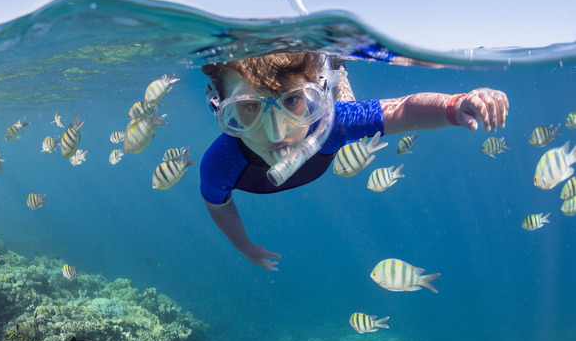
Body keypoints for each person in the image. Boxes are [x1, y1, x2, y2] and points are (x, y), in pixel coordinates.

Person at [200, 51, 509, 271]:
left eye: (292, 99)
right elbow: (219, 205)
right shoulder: (219, 164)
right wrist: (245, 246)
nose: (276, 131)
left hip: (332, 109)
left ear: (314, 93)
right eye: (249, 106)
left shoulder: (332, 124)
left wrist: (456, 104)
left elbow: (403, 110)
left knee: (347, 105)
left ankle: (336, 69)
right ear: (219, 108)